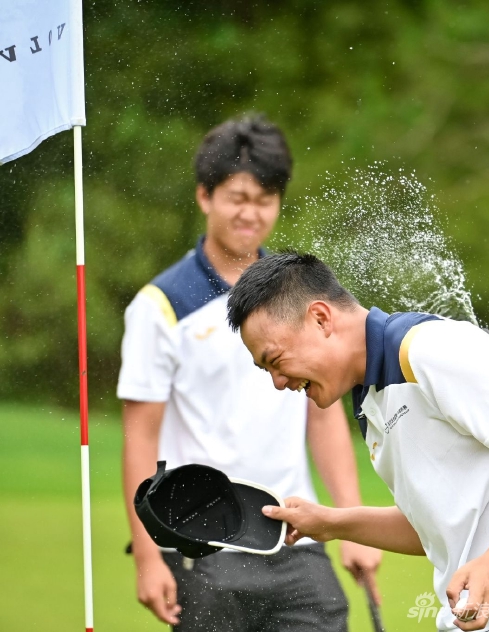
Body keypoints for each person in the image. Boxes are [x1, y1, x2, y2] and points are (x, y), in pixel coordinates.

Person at [225, 252, 489, 632]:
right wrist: (330, 522)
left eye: (275, 360)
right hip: (479, 614)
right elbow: (436, 527)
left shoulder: (426, 349)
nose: (278, 382)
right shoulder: (371, 402)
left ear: (321, 318)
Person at [118, 115, 381, 632]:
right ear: (205, 196)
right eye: (237, 197)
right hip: (200, 539)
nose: (251, 213)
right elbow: (140, 435)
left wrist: (350, 521)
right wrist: (148, 557)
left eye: (265, 199)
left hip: (293, 530)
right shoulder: (160, 306)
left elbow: (323, 416)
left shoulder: (299, 295)